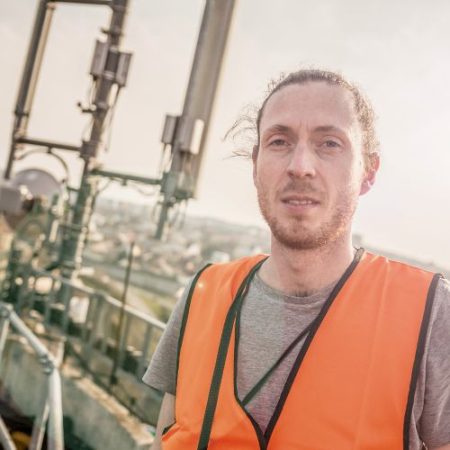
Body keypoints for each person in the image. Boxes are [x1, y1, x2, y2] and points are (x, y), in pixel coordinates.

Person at [143, 69, 450, 450]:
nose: (300, 165)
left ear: (368, 172)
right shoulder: (202, 296)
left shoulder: (430, 313)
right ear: (256, 165)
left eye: (329, 143)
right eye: (279, 141)